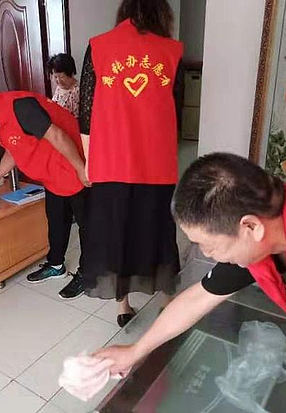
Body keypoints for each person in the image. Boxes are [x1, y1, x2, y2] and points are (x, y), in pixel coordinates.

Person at [95, 153, 286, 375]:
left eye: (210, 245)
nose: (209, 255)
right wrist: (136, 350)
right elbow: (198, 297)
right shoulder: (263, 223)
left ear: (251, 226)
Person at [78, 0, 184, 327]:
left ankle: (122, 305)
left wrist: (88, 162)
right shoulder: (172, 52)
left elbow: (86, 113)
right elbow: (176, 114)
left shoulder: (98, 47)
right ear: (162, 15)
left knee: (116, 231)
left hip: (110, 161)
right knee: (156, 228)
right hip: (156, 162)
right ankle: (167, 299)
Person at [0, 89, 90, 299]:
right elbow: (14, 150)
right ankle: (56, 265)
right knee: (56, 221)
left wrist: (81, 168)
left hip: (74, 169)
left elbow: (57, 136)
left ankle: (89, 275)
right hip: (53, 176)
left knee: (88, 227)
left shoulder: (20, 107)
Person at [48, 54, 80, 118]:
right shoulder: (59, 87)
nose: (59, 81)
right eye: (55, 77)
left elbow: (76, 118)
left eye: (62, 77)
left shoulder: (76, 91)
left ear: (71, 74)